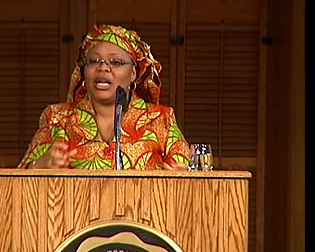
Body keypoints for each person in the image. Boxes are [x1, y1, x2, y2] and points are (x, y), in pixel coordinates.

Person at [17, 24, 190, 170]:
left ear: (133, 73)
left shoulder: (162, 120)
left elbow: (185, 174)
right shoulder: (56, 118)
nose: (103, 68)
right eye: (93, 61)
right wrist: (40, 165)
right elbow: (15, 184)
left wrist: (185, 177)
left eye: (116, 62)